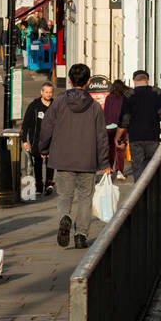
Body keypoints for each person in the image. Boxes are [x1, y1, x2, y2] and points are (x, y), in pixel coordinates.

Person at [38, 62, 110, 250]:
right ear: (88, 82)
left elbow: (47, 126)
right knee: (85, 198)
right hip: (87, 159)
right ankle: (80, 235)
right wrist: (105, 162)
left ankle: (65, 217)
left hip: (62, 158)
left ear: (69, 80)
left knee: (64, 196)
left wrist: (43, 148)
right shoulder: (94, 107)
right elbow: (102, 136)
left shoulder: (59, 102)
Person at [115, 70, 161, 183]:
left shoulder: (129, 95)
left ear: (134, 81)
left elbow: (125, 118)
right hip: (152, 136)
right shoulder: (156, 93)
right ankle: (152, 191)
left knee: (137, 167)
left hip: (135, 137)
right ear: (148, 80)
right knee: (152, 167)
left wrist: (118, 137)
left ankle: (140, 195)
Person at [20, 80, 56, 196]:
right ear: (41, 92)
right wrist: (24, 140)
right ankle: (39, 185)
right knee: (38, 163)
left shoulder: (55, 105)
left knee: (50, 163)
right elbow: (25, 124)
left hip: (52, 140)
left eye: (50, 92)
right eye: (46, 92)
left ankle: (49, 183)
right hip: (37, 140)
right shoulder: (34, 106)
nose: (48, 94)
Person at [103, 78, 129, 180]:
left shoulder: (109, 97)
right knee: (120, 149)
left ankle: (109, 170)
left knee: (110, 149)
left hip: (109, 126)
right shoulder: (124, 98)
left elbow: (105, 112)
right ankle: (119, 171)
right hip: (121, 127)